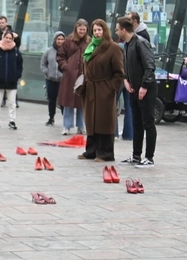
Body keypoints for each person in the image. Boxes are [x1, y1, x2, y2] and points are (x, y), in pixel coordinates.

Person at [80, 19, 125, 162]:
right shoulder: (90, 47)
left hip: (104, 89)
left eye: (100, 30)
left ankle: (105, 152)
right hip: (90, 89)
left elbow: (119, 72)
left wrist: (111, 88)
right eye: (94, 30)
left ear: (105, 31)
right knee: (91, 121)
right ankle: (91, 150)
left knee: (104, 121)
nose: (97, 33)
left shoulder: (113, 48)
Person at [117, 16, 157, 167]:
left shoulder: (140, 43)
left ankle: (149, 157)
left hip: (146, 88)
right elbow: (127, 66)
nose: (116, 31)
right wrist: (126, 80)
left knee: (148, 122)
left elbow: (149, 66)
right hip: (134, 88)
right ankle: (136, 155)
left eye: (117, 29)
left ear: (124, 30)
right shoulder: (127, 45)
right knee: (137, 123)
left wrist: (145, 86)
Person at [56, 19, 88, 135]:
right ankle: (66, 126)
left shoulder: (88, 42)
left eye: (84, 30)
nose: (82, 32)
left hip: (83, 75)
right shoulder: (68, 41)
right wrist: (66, 67)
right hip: (69, 76)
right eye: (80, 29)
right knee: (68, 102)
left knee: (82, 103)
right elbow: (60, 56)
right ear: (76, 29)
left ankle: (81, 126)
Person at [0, 30, 23, 130]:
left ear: (12, 39)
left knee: (12, 103)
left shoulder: (15, 51)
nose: (8, 40)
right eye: (6, 37)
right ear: (3, 38)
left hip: (12, 82)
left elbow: (20, 65)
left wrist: (16, 75)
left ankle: (12, 121)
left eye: (10, 38)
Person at [40, 31, 65, 126]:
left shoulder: (66, 51)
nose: (60, 41)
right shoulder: (49, 51)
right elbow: (43, 63)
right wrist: (47, 72)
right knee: (51, 100)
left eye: (62, 39)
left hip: (62, 80)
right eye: (58, 39)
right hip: (50, 80)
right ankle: (51, 118)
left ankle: (65, 119)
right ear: (55, 40)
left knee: (63, 100)